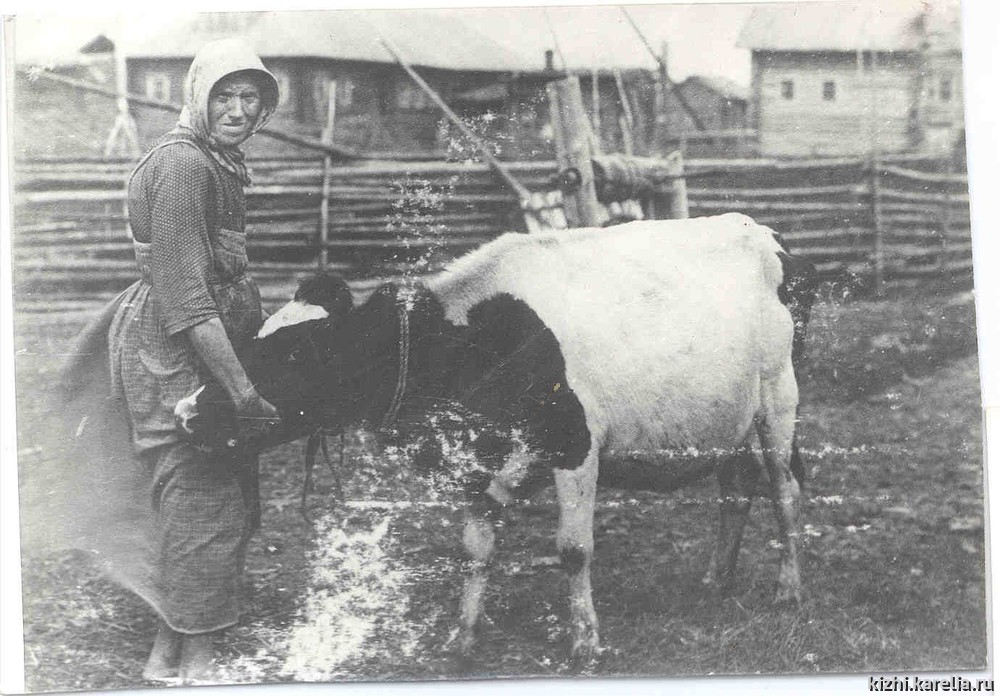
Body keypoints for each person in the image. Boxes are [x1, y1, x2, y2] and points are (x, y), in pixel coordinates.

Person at [104, 38, 280, 681]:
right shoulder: (183, 167)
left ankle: (169, 650)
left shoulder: (215, 160)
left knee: (200, 497)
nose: (236, 109)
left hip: (207, 340)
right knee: (201, 493)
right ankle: (197, 662)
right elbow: (184, 293)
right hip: (175, 350)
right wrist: (241, 390)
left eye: (249, 96)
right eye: (223, 96)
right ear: (197, 96)